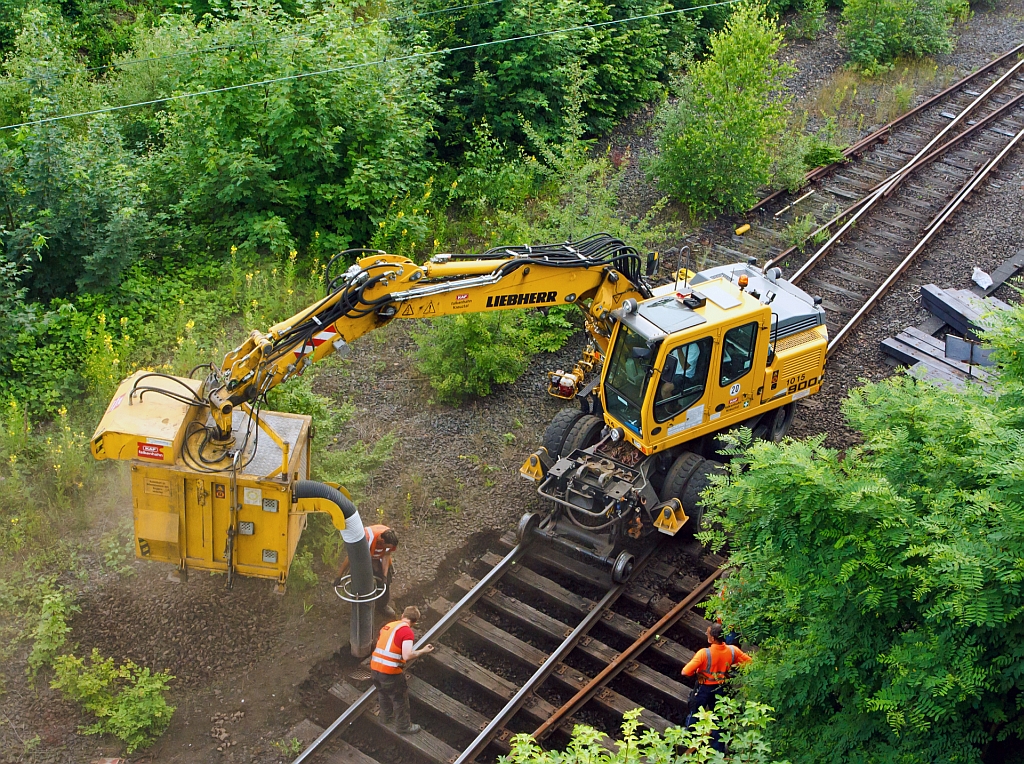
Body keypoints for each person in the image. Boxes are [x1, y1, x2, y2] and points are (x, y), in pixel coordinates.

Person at [682, 623, 752, 750]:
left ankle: (690, 742)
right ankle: (718, 749)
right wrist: (730, 672)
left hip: (704, 688)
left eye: (708, 634)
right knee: (719, 718)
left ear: (712, 638)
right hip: (721, 688)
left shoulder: (704, 653)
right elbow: (749, 663)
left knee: (695, 713)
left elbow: (685, 671)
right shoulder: (732, 651)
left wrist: (697, 674)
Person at [369, 606, 434, 734]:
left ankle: (385, 717)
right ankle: (403, 726)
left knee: (383, 693)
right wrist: (423, 651)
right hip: (390, 673)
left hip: (375, 669)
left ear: (403, 615)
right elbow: (407, 655)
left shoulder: (388, 626)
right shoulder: (407, 632)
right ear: (414, 622)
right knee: (399, 699)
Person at [336, 525, 399, 617]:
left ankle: (382, 606)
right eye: (386, 546)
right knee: (359, 581)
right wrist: (339, 575)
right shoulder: (365, 539)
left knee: (386, 583)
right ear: (382, 541)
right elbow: (351, 557)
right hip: (362, 559)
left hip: (378, 559)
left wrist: (384, 576)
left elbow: (386, 555)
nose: (388, 548)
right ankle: (361, 605)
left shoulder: (390, 540)